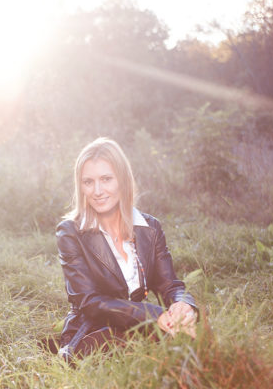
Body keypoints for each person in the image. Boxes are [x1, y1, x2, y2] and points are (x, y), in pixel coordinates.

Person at [56, 137, 197, 360]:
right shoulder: (70, 232)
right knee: (120, 347)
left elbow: (170, 284)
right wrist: (154, 315)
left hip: (138, 325)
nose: (98, 190)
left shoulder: (150, 227)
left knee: (195, 336)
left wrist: (182, 305)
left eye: (106, 179)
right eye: (88, 182)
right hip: (93, 329)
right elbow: (90, 302)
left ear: (122, 180)